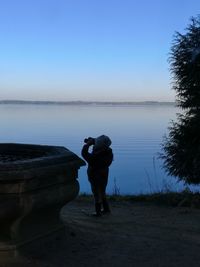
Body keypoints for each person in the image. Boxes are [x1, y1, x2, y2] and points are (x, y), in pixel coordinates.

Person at [81, 135, 113, 216]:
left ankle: (97, 212)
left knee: (96, 193)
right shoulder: (108, 153)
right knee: (102, 191)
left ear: (99, 146)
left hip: (94, 176)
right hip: (104, 175)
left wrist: (87, 144)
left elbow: (84, 153)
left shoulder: (94, 157)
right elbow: (103, 144)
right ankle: (106, 209)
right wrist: (94, 141)